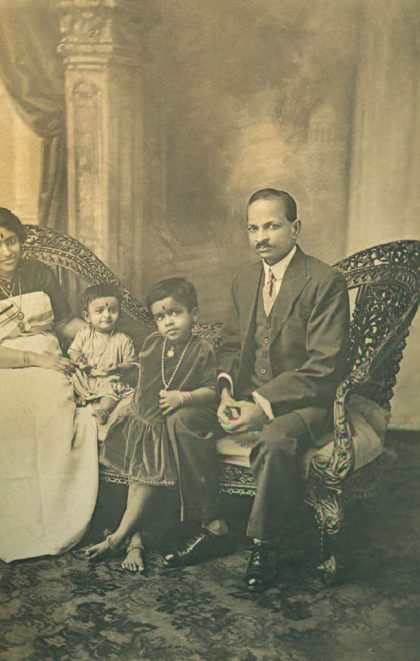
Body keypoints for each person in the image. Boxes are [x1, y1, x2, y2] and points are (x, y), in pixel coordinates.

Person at [211, 187, 350, 592]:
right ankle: (207, 524)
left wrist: (261, 404)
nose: (261, 237)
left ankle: (264, 544)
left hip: (305, 401)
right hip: (248, 395)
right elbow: (232, 347)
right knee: (185, 418)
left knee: (275, 440)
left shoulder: (325, 281)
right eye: (253, 228)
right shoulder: (244, 280)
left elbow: (324, 365)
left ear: (295, 228)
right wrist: (225, 395)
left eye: (271, 226)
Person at [0, 207, 99, 563]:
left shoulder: (39, 272)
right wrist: (36, 361)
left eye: (11, 241)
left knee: (48, 403)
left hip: (45, 353)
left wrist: (99, 336)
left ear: (21, 241)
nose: (6, 251)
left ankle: (52, 519)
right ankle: (5, 521)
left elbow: (64, 324)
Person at [85, 277, 234, 572]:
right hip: (144, 419)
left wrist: (183, 398)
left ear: (195, 314)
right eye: (160, 317)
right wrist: (128, 370)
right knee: (136, 469)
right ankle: (129, 538)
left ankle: (122, 537)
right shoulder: (154, 343)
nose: (168, 322)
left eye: (175, 313)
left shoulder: (201, 349)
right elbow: (145, 372)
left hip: (171, 419)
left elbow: (211, 390)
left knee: (144, 472)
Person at [68, 284, 136, 426]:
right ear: (87, 316)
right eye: (99, 311)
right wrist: (80, 361)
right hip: (87, 376)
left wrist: (119, 367)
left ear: (120, 313)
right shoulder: (84, 334)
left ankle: (104, 410)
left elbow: (131, 363)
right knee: (70, 376)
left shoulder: (123, 339)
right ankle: (80, 396)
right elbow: (73, 351)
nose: (106, 315)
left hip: (108, 379)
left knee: (112, 388)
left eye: (112, 311)